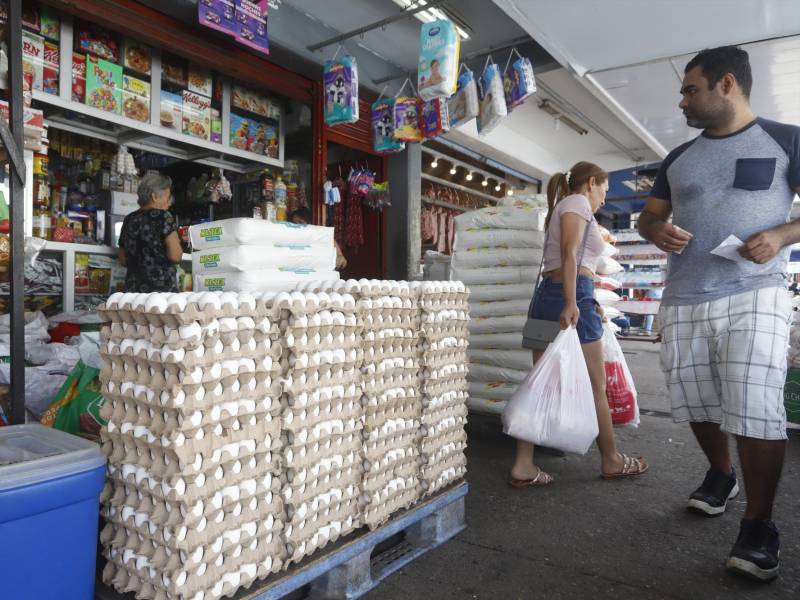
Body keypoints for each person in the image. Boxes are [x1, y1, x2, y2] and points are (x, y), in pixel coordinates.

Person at [638, 45, 800, 581]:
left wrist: (781, 234)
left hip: (755, 290)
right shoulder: (678, 158)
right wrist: (654, 230)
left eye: (691, 90)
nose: (682, 101)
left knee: (755, 404)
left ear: (726, 84)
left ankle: (759, 525)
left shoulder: (786, 139)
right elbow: (649, 217)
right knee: (697, 401)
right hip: (685, 295)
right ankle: (721, 473)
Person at [510, 161, 649, 487]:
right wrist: (575, 301)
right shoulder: (577, 204)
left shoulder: (564, 205)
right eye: (604, 189)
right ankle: (612, 460)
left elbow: (570, 260)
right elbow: (570, 253)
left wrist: (590, 300)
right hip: (569, 297)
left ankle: (524, 464)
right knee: (596, 384)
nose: (604, 197)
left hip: (549, 296)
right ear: (590, 183)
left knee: (540, 382)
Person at [118, 174, 183, 292]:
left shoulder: (129, 219)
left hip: (133, 291)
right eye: (167, 198)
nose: (169, 203)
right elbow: (175, 255)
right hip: (161, 292)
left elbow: (122, 258)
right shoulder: (163, 216)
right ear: (154, 196)